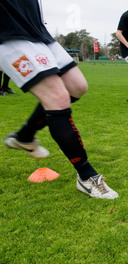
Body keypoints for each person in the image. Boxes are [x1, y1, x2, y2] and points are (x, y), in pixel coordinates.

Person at [0, 0, 119, 199]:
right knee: (58, 97)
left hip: (36, 29)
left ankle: (24, 136)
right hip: (8, 31)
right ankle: (86, 175)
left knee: (77, 87)